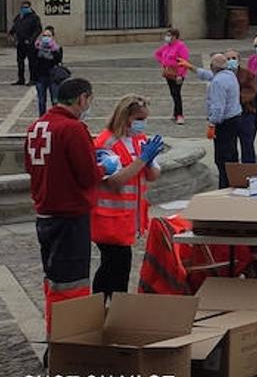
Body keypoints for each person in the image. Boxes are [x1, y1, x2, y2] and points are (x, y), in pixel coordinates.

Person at [25, 78, 97, 335]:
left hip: (45, 213)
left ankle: (53, 329)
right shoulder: (73, 128)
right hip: (70, 215)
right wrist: (104, 166)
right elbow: (89, 176)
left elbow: (30, 167)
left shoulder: (36, 126)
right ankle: (67, 338)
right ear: (81, 99)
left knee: (54, 279)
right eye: (88, 99)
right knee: (71, 283)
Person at [91, 95, 163, 296]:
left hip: (126, 218)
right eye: (139, 119)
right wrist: (142, 160)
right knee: (115, 267)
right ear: (126, 117)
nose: (143, 123)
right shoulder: (106, 143)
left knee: (114, 267)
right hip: (109, 218)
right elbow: (115, 181)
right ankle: (110, 307)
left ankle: (105, 306)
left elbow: (153, 175)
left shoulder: (139, 139)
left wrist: (150, 162)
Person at [184, 53, 243, 188]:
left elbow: (218, 107)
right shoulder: (230, 75)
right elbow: (208, 75)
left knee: (222, 158)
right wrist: (192, 68)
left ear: (212, 66)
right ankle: (234, 182)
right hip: (235, 118)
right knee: (232, 154)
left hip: (225, 123)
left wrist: (212, 124)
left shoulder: (217, 82)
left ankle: (225, 185)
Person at [225, 49, 257, 164]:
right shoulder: (223, 75)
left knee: (247, 145)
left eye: (233, 58)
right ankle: (233, 172)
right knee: (230, 146)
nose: (231, 61)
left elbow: (251, 92)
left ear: (239, 60)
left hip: (245, 113)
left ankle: (249, 170)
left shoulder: (248, 75)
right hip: (229, 116)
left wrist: (234, 98)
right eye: (228, 59)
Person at [154, 28, 189, 125]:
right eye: (167, 35)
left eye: (170, 35)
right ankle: (175, 113)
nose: (167, 37)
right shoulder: (166, 46)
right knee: (173, 93)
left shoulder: (180, 46)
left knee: (176, 93)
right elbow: (157, 54)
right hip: (168, 72)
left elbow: (183, 61)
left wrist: (180, 75)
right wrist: (163, 62)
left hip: (178, 73)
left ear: (175, 36)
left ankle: (180, 115)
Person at [32, 27, 64, 117]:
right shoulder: (37, 47)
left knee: (55, 100)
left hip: (53, 77)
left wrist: (54, 50)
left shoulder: (57, 48)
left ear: (52, 37)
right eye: (44, 35)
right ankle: (42, 117)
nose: (46, 37)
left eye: (48, 35)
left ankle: (56, 117)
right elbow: (33, 62)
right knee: (41, 100)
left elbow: (58, 61)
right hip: (41, 77)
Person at [8, 0, 41, 86]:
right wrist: (11, 34)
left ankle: (33, 79)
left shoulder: (34, 17)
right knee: (20, 62)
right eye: (23, 7)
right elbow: (15, 27)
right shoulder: (19, 17)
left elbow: (38, 29)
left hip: (29, 43)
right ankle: (21, 79)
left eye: (26, 7)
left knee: (32, 62)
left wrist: (31, 39)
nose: (24, 9)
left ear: (30, 7)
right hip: (20, 43)